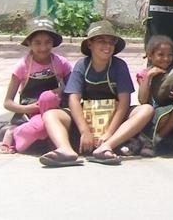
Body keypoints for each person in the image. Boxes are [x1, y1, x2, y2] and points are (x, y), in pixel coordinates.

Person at [39, 20, 154, 167]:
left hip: (113, 120)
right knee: (51, 114)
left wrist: (109, 133)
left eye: (111, 42)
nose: (107, 46)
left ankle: (107, 147)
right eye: (101, 41)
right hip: (87, 118)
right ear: (90, 44)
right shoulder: (82, 65)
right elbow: (73, 99)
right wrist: (84, 131)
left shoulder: (119, 65)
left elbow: (124, 102)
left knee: (146, 109)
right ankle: (66, 150)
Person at [0, 18, 72, 154]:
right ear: (29, 43)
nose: (43, 48)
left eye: (47, 42)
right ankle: (14, 132)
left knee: (47, 97)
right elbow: (7, 103)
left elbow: (73, 90)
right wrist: (28, 108)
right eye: (37, 43)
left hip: (54, 111)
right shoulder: (22, 67)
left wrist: (60, 92)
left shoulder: (61, 63)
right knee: (39, 127)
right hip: (30, 114)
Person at [135, 35, 173, 154]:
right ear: (150, 56)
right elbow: (142, 100)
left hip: (168, 112)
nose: (166, 59)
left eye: (170, 55)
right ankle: (141, 140)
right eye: (161, 55)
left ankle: (152, 141)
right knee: (163, 114)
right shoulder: (144, 74)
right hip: (150, 114)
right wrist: (148, 77)